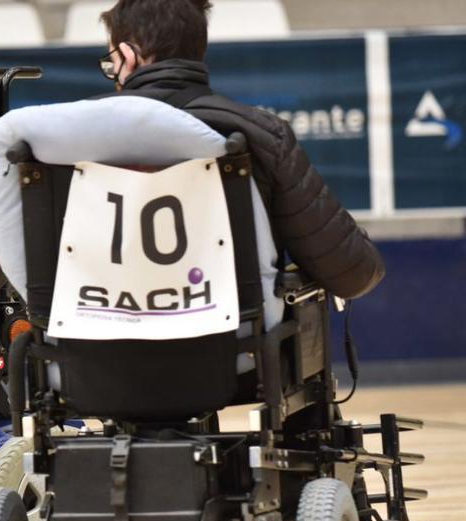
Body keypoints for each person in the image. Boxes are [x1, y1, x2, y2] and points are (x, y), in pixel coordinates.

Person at [96, 0, 384, 300]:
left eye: (111, 63)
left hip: (91, 343)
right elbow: (356, 275)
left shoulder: (73, 141)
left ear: (127, 58)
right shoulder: (264, 135)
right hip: (235, 344)